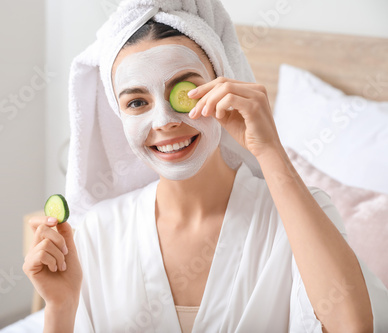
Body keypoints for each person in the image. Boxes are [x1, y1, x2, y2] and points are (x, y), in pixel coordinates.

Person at [23, 1, 388, 332]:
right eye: (137, 102)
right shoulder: (98, 232)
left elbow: (352, 326)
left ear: (221, 87)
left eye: (184, 91)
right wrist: (61, 307)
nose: (164, 121)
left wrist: (270, 149)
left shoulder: (298, 218)